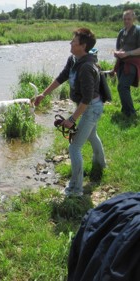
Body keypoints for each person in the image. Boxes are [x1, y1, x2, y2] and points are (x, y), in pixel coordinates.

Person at [34, 28, 106, 196]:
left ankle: (75, 189)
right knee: (91, 135)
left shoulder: (87, 67)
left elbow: (87, 99)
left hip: (91, 108)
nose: (70, 43)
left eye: (74, 42)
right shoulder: (74, 59)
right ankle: (101, 165)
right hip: (88, 107)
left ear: (83, 46)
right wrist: (44, 94)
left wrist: (72, 119)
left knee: (74, 148)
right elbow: (62, 77)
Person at [114, 9, 140, 117]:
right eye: (125, 19)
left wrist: (127, 53)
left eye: (129, 19)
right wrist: (117, 54)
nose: (126, 21)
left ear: (133, 19)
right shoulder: (121, 32)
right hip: (121, 63)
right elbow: (119, 49)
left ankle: (131, 113)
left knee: (122, 86)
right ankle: (125, 110)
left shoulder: (138, 31)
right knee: (124, 87)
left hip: (133, 64)